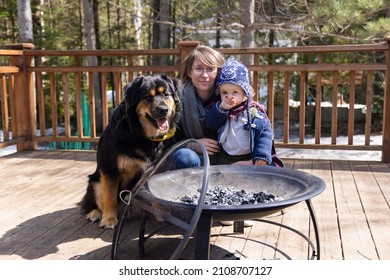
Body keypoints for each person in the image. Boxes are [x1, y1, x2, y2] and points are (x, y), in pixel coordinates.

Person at [205, 58, 274, 167]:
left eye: (235, 92)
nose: (229, 96)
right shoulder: (220, 109)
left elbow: (265, 134)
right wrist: (221, 110)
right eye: (224, 93)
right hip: (225, 156)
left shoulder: (253, 112)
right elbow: (210, 124)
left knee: (253, 177)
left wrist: (261, 156)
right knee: (223, 179)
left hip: (248, 155)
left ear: (245, 94)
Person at [172, 45, 226, 166]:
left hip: (225, 158)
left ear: (218, 72)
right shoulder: (177, 100)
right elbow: (167, 141)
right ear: (189, 72)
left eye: (210, 69)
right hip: (192, 158)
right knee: (185, 157)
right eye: (199, 68)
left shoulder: (229, 96)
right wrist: (192, 145)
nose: (204, 75)